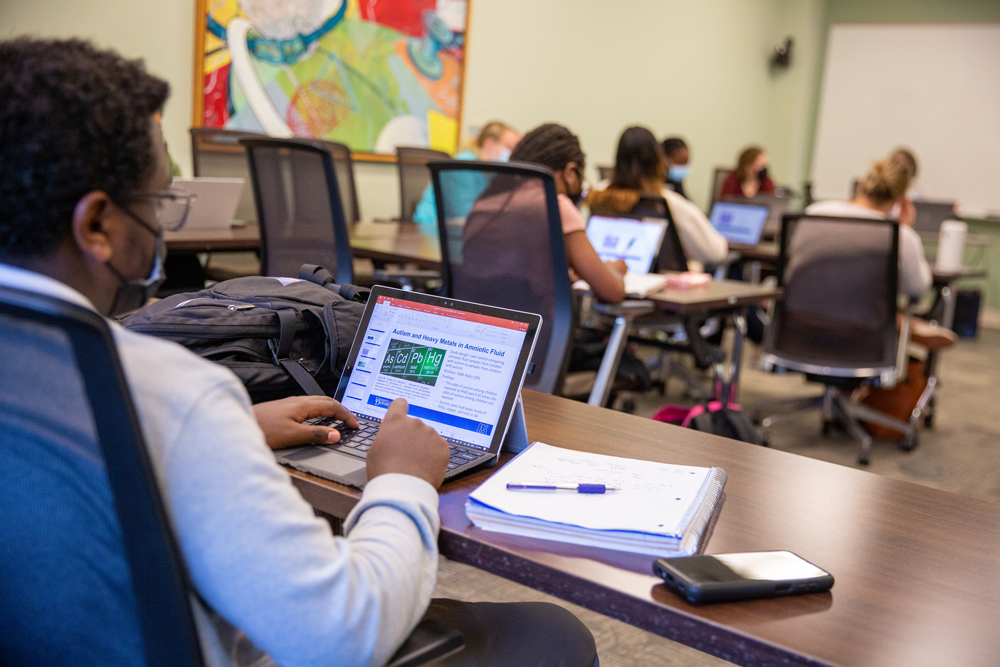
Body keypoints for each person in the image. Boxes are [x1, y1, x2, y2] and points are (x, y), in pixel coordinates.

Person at [0, 38, 598, 667]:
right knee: (556, 633)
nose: (162, 228)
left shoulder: (90, 381)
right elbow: (340, 634)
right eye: (157, 204)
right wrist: (401, 482)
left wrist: (234, 425)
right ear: (96, 224)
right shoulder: (160, 389)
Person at [502, 123, 627, 303]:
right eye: (579, 177)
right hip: (537, 327)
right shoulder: (555, 205)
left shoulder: (488, 202)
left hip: (479, 321)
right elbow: (612, 291)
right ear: (569, 172)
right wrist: (615, 269)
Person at [589, 126, 728, 268]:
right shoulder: (668, 202)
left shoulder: (598, 193)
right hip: (660, 285)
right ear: (658, 161)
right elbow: (716, 252)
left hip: (603, 277)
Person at [804, 158, 932, 298]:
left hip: (802, 314)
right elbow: (917, 287)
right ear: (899, 201)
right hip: (862, 318)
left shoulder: (815, 213)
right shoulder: (900, 236)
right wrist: (908, 230)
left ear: (861, 185)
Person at [412, 121, 521, 229]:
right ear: (489, 144)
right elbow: (461, 214)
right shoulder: (461, 166)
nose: (512, 154)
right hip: (430, 228)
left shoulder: (494, 173)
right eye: (509, 147)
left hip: (460, 229)